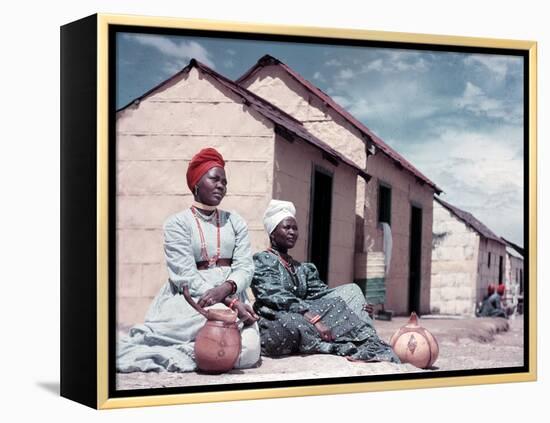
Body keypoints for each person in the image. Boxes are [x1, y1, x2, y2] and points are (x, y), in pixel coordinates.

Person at [117, 148, 260, 373]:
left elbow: (245, 266)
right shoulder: (177, 224)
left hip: (233, 297)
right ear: (196, 183)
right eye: (214, 179)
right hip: (190, 300)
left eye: (224, 181)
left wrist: (228, 291)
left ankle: (203, 351)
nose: (221, 185)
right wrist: (225, 301)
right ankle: (195, 349)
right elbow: (184, 274)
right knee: (215, 347)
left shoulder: (235, 222)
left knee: (249, 354)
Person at [250, 199, 399, 363]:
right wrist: (311, 317)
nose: (292, 232)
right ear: (272, 233)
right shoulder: (262, 260)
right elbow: (273, 295)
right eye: (287, 227)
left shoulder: (301, 268)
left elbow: (324, 295)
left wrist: (355, 305)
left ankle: (370, 344)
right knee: (291, 324)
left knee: (352, 291)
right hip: (276, 318)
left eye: (295, 228)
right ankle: (332, 346)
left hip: (305, 317)